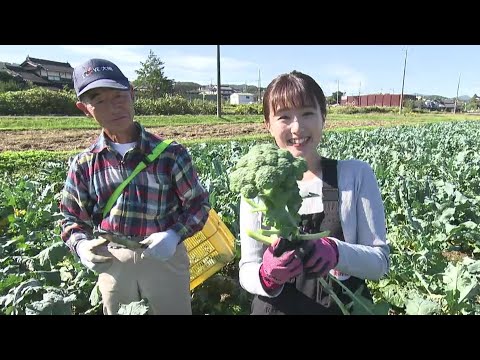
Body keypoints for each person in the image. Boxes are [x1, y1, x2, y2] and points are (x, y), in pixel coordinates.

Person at [59, 58, 210, 315]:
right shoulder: (84, 164)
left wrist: (174, 235)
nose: (113, 107)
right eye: (99, 100)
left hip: (165, 260)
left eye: (118, 96)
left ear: (131, 93)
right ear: (85, 109)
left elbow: (198, 204)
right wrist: (81, 246)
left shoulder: (170, 154)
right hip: (113, 262)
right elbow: (71, 218)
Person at [238, 70, 390, 315]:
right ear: (268, 124)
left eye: (307, 113)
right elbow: (247, 269)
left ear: (323, 117)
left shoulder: (355, 175)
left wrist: (336, 251)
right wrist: (265, 275)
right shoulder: (258, 188)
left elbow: (379, 263)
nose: (297, 127)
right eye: (284, 117)